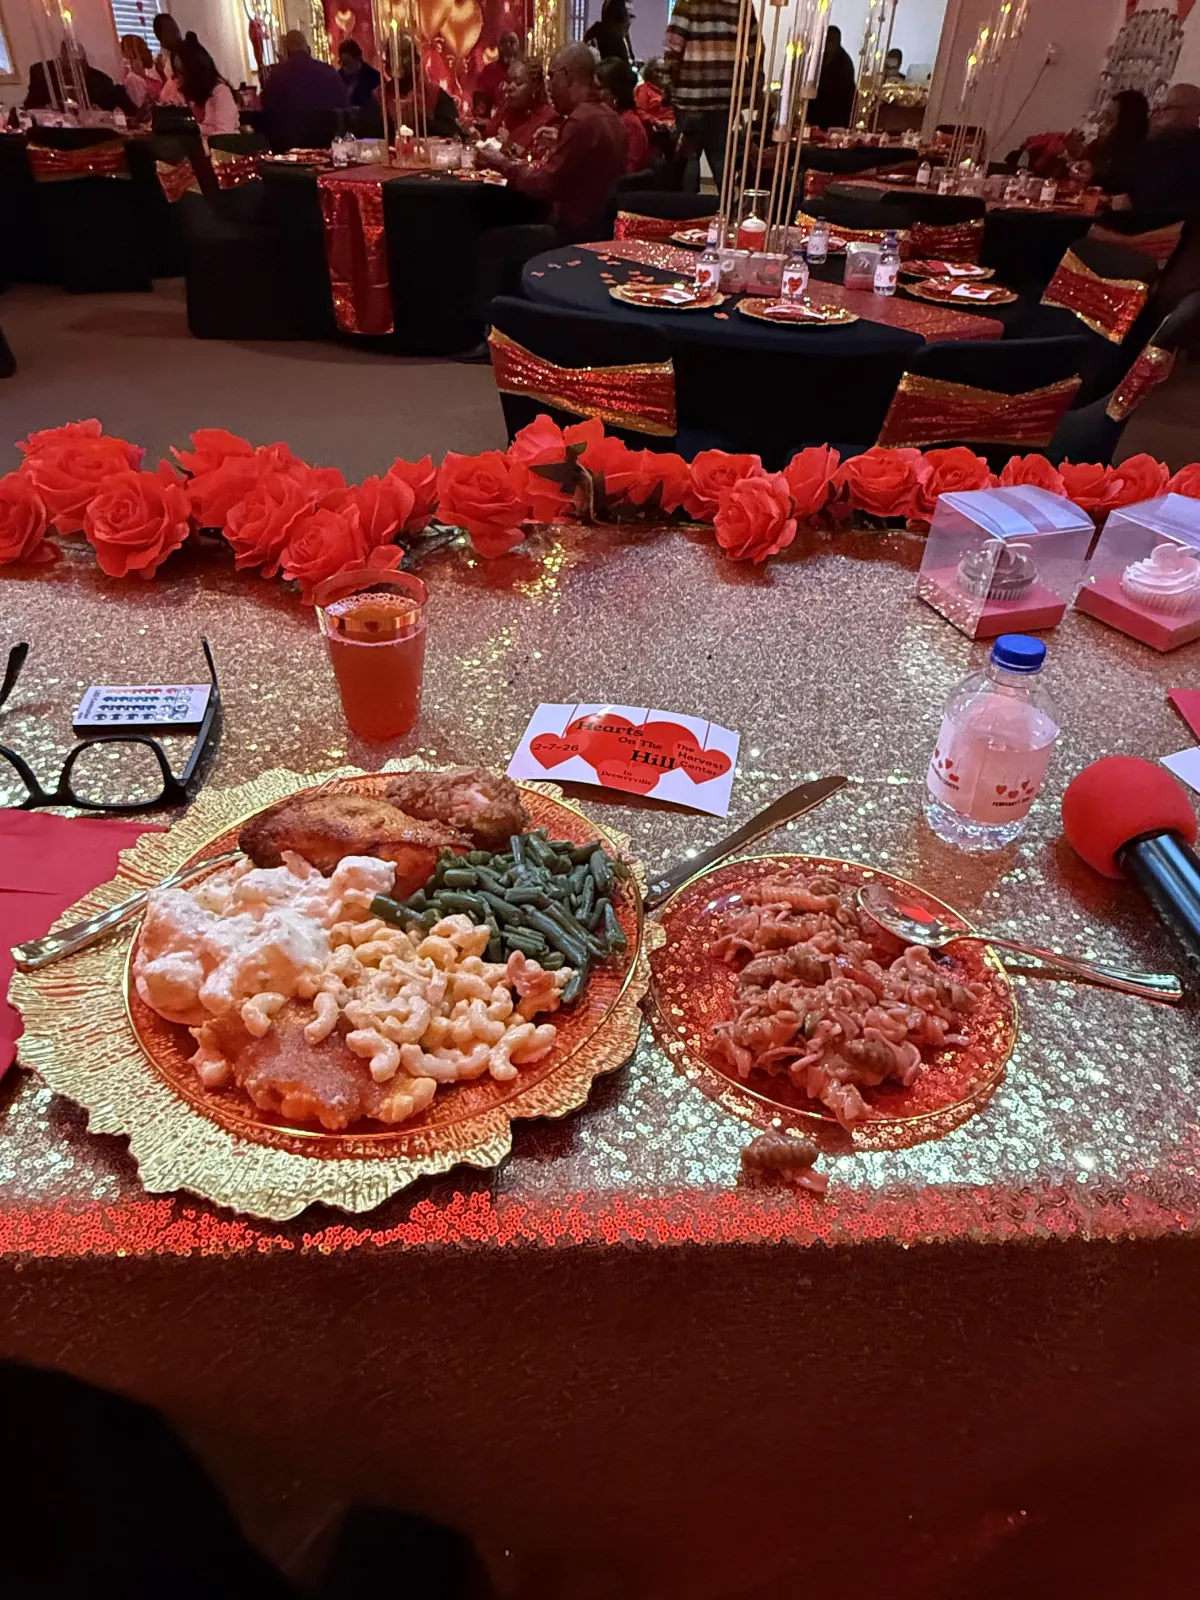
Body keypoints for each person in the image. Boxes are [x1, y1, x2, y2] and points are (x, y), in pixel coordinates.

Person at [477, 42, 627, 239]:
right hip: (602, 231)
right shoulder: (612, 117)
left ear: (567, 77)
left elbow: (544, 185)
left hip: (572, 235)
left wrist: (501, 162)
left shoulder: (581, 120)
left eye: (552, 76)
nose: (549, 86)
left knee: (484, 235)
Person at [663, 0, 755, 188]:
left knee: (689, 154)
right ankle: (728, 202)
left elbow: (674, 48)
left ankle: (689, 204)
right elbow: (754, 48)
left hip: (691, 94)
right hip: (727, 94)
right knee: (720, 155)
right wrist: (753, 84)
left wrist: (668, 84)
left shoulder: (688, 3)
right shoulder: (742, 3)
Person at [1113, 82, 1200, 213]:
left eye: (1169, 107)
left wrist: (1129, 200)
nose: (1161, 113)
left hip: (1157, 220)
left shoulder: (1185, 143)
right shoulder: (1164, 138)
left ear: (1192, 112)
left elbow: (1156, 188)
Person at [261, 28, 348, 148]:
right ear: (308, 49)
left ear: (285, 52)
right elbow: (345, 107)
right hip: (329, 146)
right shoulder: (329, 72)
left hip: (289, 148)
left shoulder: (276, 77)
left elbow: (268, 114)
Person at [25, 43, 136, 116]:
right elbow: (30, 109)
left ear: (85, 64)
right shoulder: (44, 77)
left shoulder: (100, 82)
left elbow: (114, 113)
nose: (71, 73)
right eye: (66, 69)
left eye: (77, 66)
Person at [485, 57, 558, 154]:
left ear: (535, 86)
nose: (510, 87)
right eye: (508, 81)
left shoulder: (548, 118)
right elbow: (488, 136)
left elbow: (540, 160)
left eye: (518, 83)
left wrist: (511, 145)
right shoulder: (506, 108)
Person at [1086, 89, 1149, 197]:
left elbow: (1114, 186)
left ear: (1127, 125)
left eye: (1109, 120)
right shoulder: (1101, 146)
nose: (1101, 125)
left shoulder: (1140, 156)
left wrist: (1092, 176)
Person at [597, 55, 650, 173]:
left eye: (599, 88)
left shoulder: (630, 124)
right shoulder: (604, 118)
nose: (595, 93)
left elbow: (627, 170)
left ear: (615, 92)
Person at [177, 38, 239, 135]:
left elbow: (225, 134)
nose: (177, 78)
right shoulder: (189, 95)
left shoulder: (220, 92)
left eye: (181, 72)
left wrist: (194, 129)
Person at [808, 24, 856, 130]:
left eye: (829, 42)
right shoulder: (819, 58)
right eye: (825, 41)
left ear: (837, 42)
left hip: (836, 120)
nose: (826, 45)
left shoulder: (844, 63)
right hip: (816, 116)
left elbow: (844, 95)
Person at [474, 29, 521, 116]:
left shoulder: (521, 71)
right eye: (505, 44)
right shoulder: (489, 71)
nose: (508, 47)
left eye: (511, 44)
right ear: (499, 48)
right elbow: (480, 99)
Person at [585, 0, 636, 68]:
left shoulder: (623, 38)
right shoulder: (595, 38)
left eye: (632, 17)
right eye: (628, 16)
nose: (629, 22)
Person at [119, 35, 162, 110]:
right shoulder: (133, 79)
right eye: (144, 49)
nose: (149, 51)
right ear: (134, 55)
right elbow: (143, 108)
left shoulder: (150, 76)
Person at [337, 38, 381, 110]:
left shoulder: (374, 78)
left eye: (348, 62)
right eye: (342, 63)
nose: (344, 68)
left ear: (357, 59)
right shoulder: (338, 77)